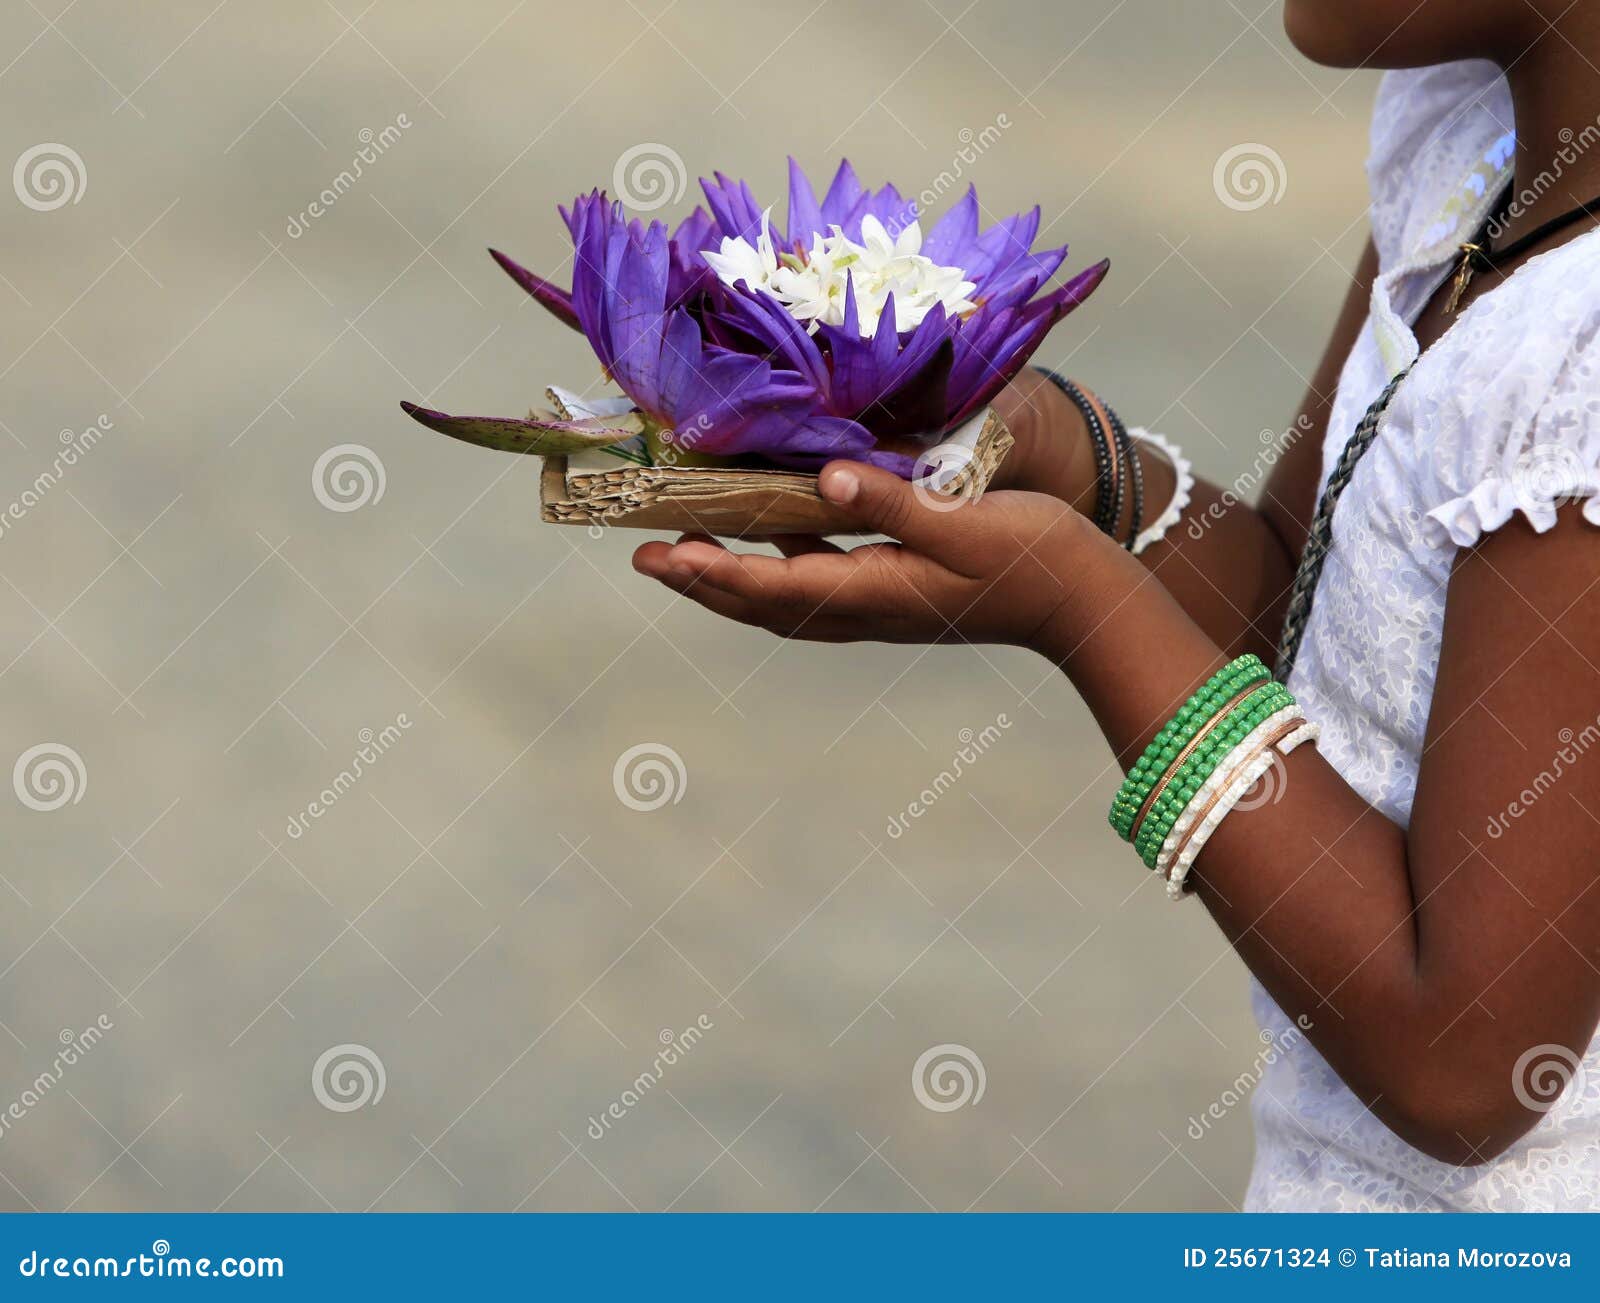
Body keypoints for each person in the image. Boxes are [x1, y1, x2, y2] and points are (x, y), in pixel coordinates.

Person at [632, 2, 1600, 1211]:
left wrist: (1078, 607)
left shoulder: (1581, 361)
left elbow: (1463, 1060)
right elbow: (1312, 635)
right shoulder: (1475, 146)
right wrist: (1070, 455)